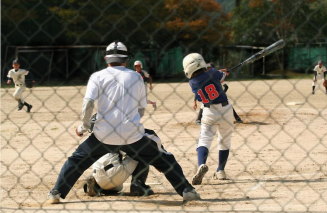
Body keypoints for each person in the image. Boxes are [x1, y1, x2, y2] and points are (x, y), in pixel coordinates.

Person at [47, 41, 200, 204]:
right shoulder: (136, 77)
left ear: (106, 59)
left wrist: (84, 126)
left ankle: (56, 193)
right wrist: (129, 123)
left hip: (102, 134)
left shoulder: (97, 77)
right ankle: (186, 190)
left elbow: (88, 104)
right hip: (132, 135)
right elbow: (141, 109)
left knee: (76, 161)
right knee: (163, 158)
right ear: (126, 59)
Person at [183, 53, 234, 185]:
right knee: (224, 140)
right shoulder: (212, 72)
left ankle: (201, 164)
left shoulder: (192, 82)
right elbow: (221, 77)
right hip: (225, 110)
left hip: (208, 111)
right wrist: (223, 72)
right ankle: (221, 171)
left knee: (204, 139)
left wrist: (217, 72)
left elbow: (210, 77)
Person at [83, 129, 167, 197]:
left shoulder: (101, 130)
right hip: (114, 172)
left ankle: (98, 186)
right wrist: (158, 163)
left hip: (97, 172)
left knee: (119, 186)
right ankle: (138, 186)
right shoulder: (129, 129)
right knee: (143, 150)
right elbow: (151, 139)